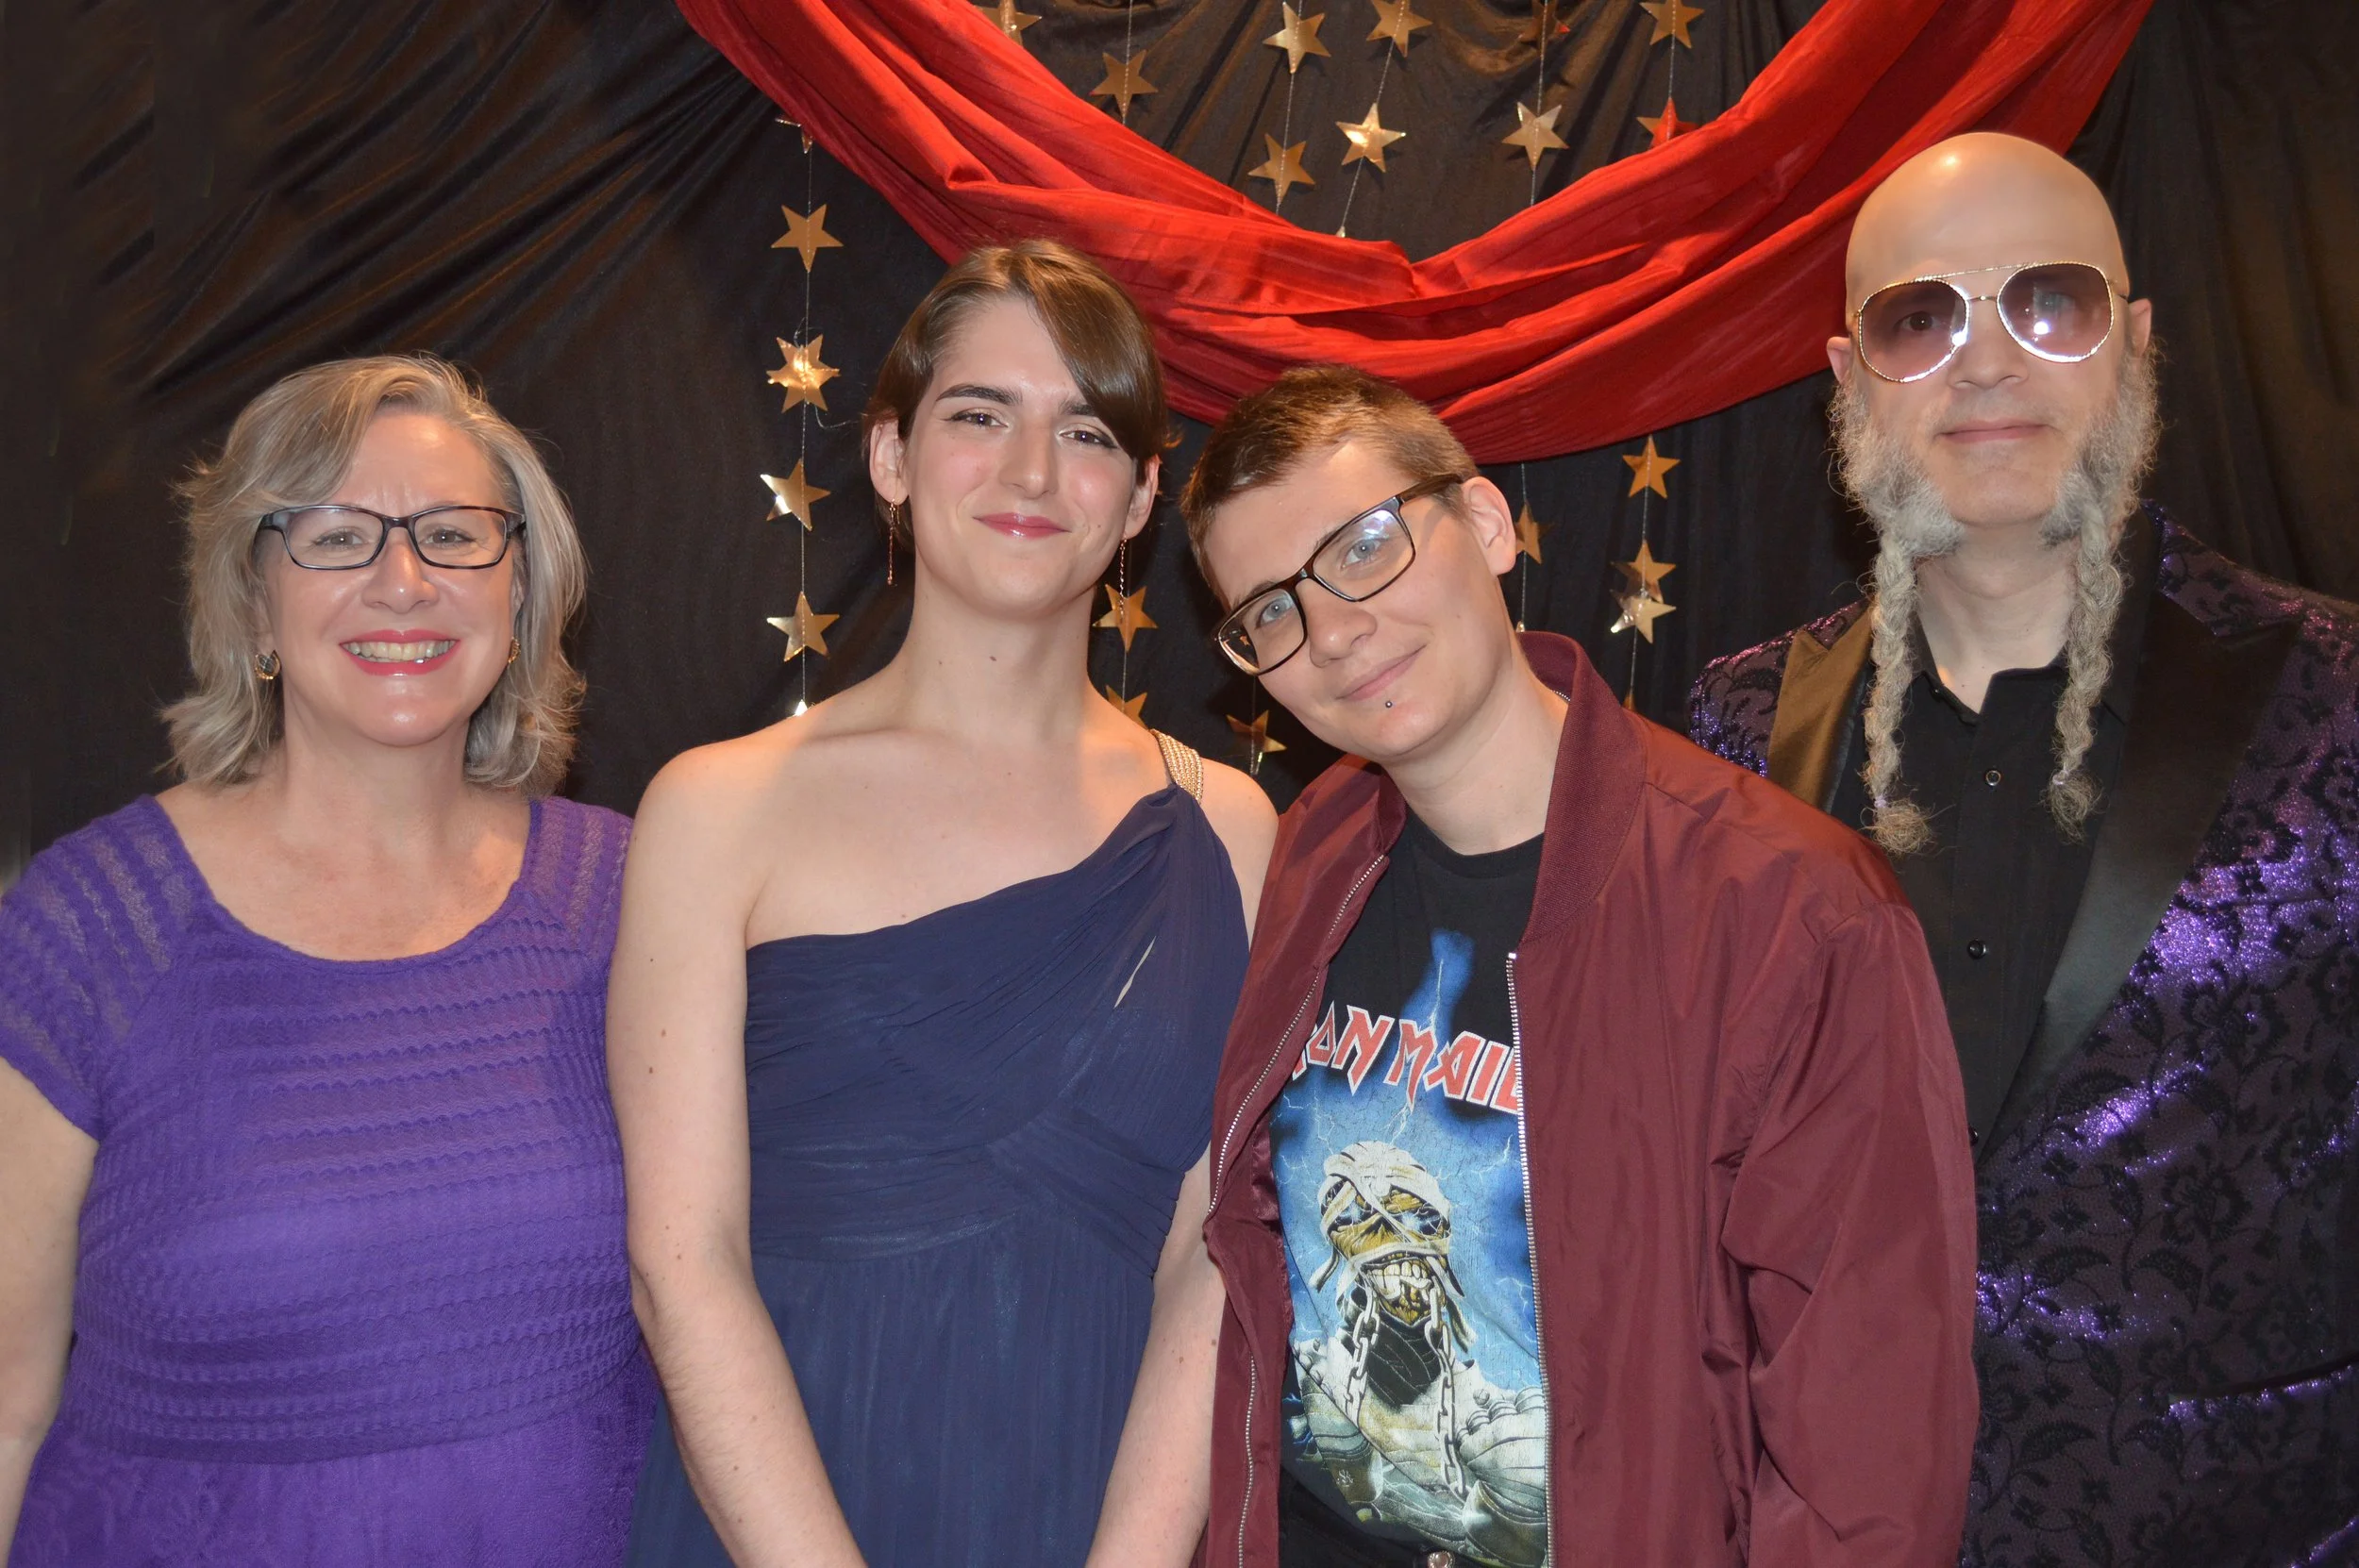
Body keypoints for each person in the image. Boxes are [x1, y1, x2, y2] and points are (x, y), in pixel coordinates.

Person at [1178, 364, 1979, 1568]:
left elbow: (1867, 1449)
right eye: (1270, 612)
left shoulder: (1791, 914)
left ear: (1488, 525)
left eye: (1363, 548)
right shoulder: (1314, 855)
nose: (1333, 632)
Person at [1687, 131, 2359, 1565]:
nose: (1984, 363)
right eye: (1919, 316)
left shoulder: (2341, 697)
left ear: (2137, 342)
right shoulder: (1735, 727)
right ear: (1847, 375)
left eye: (2047, 300)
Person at [612, 241, 1277, 1568]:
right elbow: (684, 1263)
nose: (1032, 474)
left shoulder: (1232, 826)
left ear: (1143, 493)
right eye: (980, 414)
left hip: (1099, 1507)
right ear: (891, 455)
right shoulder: (714, 808)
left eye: (1085, 430)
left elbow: (1217, 1256)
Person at [0, 355, 650, 1564]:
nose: (403, 583)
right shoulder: (92, 926)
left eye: (455, 536)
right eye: (338, 537)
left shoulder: (638, 899)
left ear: (521, 598)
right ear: (250, 600)